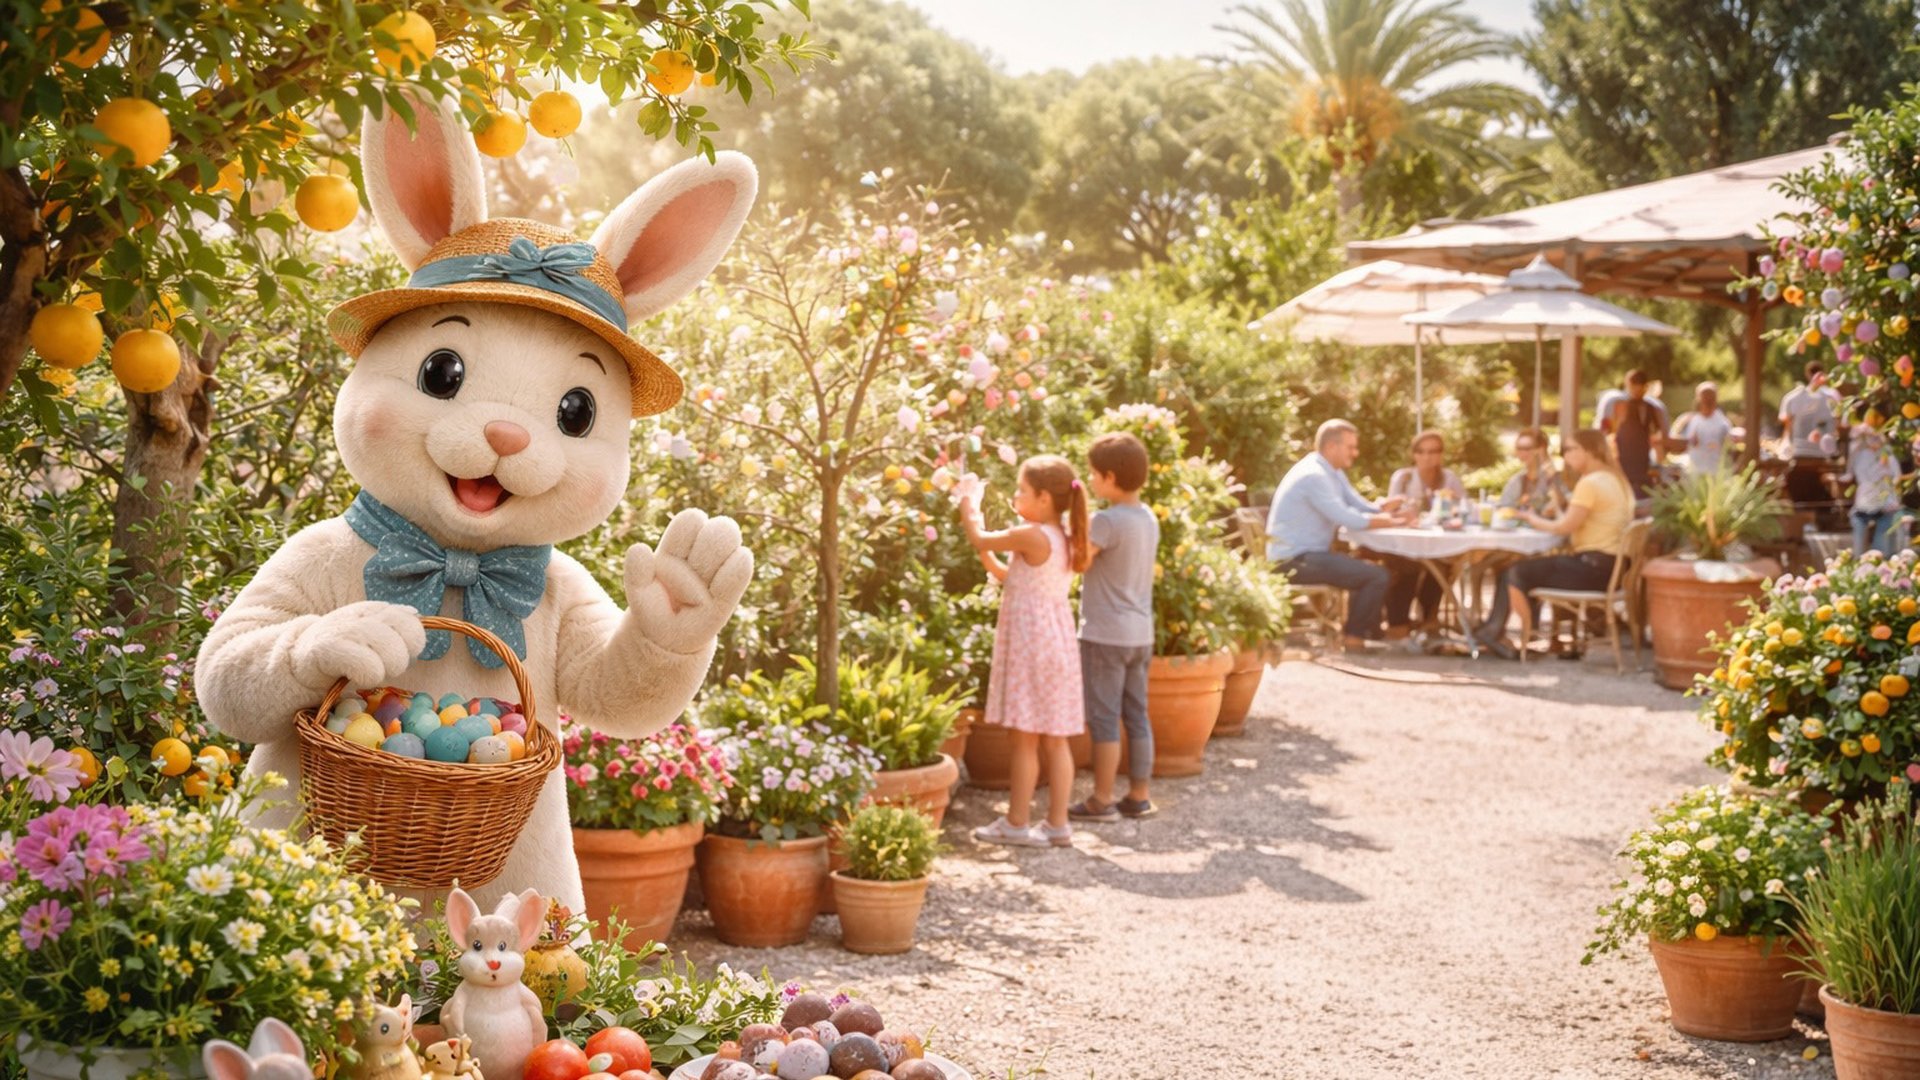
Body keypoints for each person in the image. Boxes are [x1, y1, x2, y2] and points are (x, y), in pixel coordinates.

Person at [960, 454, 1091, 848]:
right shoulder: (1064, 538)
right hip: (1056, 645)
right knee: (1055, 739)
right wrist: (987, 559)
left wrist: (969, 503)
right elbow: (1011, 577)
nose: (1016, 496)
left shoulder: (1031, 535)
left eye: (1022, 490)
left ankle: (1017, 822)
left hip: (1031, 646)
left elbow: (980, 537)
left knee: (1024, 739)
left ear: (1045, 499)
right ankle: (1057, 824)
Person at [1470, 429, 1633, 659]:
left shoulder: (1591, 483)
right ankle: (1495, 631)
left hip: (1593, 569)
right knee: (1524, 567)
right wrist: (1556, 507)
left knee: (1515, 571)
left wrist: (1529, 518)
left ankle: (1509, 635)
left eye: (1569, 450)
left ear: (1587, 451)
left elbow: (1563, 528)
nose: (1565, 457)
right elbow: (1573, 519)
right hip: (1613, 568)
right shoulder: (1617, 480)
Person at [1067, 433, 1159, 825]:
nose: (1090, 482)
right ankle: (1138, 795)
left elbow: (1079, 563)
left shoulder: (1106, 520)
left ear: (1109, 477)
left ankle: (1101, 799)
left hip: (1105, 634)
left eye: (1092, 475)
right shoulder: (1147, 517)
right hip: (1140, 633)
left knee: (1104, 718)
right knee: (1137, 714)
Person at [1266, 419, 1415, 650]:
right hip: (1293, 560)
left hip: (1309, 555)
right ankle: (1354, 637)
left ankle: (1371, 631)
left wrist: (1386, 507)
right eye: (1350, 447)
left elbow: (1359, 505)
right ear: (1332, 447)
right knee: (1376, 576)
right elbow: (1347, 517)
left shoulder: (1331, 471)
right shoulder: (1314, 475)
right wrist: (1393, 521)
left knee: (1376, 569)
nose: (1355, 453)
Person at [1383, 430, 1465, 633]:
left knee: (1440, 563)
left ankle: (1429, 619)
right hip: (1405, 541)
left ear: (1441, 454)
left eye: (1433, 451)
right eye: (1421, 451)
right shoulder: (1403, 478)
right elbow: (1390, 511)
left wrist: (1453, 504)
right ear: (1414, 454)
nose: (1427, 456)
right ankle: (1398, 623)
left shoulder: (1449, 479)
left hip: (1438, 540)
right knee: (1406, 564)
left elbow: (1463, 511)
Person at [1780, 361, 1840, 504]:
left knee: (1794, 479)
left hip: (1800, 453)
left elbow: (1786, 426)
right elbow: (1839, 424)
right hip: (1826, 453)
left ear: (1808, 374)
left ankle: (1805, 514)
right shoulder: (1833, 396)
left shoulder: (1793, 398)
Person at [1846, 421, 1904, 555]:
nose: (1874, 440)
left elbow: (1897, 476)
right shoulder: (1860, 456)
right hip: (1863, 507)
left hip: (1885, 508)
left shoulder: (1888, 455)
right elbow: (1862, 478)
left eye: (1877, 437)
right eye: (1870, 437)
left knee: (1881, 550)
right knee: (1859, 552)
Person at [1606, 369, 1666, 498]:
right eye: (1633, 387)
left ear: (1645, 387)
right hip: (1623, 458)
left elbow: (1657, 435)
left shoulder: (1651, 408)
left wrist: (1659, 461)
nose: (1636, 391)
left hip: (1642, 458)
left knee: (1641, 492)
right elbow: (1611, 434)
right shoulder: (1621, 405)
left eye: (1640, 387)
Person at [1499, 428, 1568, 515]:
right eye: (1519, 448)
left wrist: (1550, 475)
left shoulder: (1555, 477)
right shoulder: (1517, 480)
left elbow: (1564, 506)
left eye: (1527, 448)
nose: (1522, 453)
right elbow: (1504, 507)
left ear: (1541, 449)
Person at [1671, 381, 1735, 474]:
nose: (1707, 400)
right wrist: (1688, 442)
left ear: (1716, 399)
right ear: (1698, 398)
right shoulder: (1688, 420)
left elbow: (1729, 448)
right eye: (1704, 396)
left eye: (1710, 397)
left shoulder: (1723, 423)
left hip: (1715, 474)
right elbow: (1675, 443)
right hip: (1694, 473)